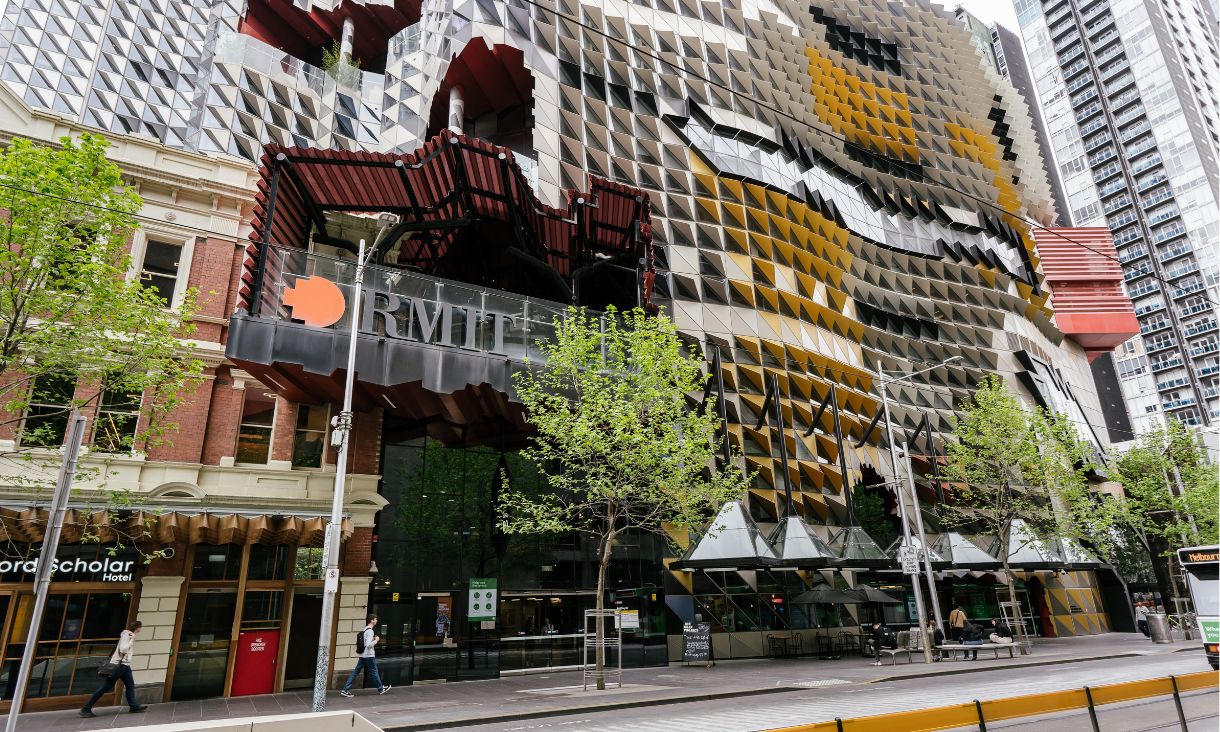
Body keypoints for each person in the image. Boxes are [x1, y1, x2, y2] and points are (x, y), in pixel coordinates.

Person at [80, 621, 146, 717]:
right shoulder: (127, 635)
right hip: (120, 666)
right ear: (138, 627)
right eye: (140, 627)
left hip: (125, 665)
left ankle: (133, 706)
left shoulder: (129, 634)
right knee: (105, 687)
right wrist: (132, 640)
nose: (140, 629)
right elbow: (123, 649)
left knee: (130, 685)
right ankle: (86, 708)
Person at [341, 614, 392, 697]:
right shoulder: (370, 631)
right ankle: (381, 689)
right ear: (372, 620)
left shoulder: (365, 629)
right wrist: (376, 640)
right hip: (369, 655)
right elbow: (368, 645)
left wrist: (372, 639)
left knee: (355, 672)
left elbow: (365, 642)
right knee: (374, 671)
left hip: (363, 655)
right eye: (375, 619)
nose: (376, 620)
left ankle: (345, 690)